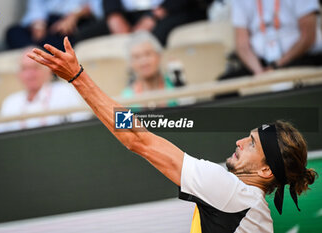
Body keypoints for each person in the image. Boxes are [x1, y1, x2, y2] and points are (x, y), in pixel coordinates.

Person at [27, 37, 317, 232]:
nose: (240, 142)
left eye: (252, 143)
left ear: (266, 170)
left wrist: (78, 77)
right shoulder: (251, 205)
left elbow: (137, 138)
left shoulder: (232, 192)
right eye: (248, 136)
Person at [0, 47, 91, 134]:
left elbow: (81, 129)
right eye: (24, 69)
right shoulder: (11, 102)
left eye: (35, 68)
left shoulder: (65, 92)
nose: (30, 75)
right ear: (18, 74)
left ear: (48, 69)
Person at [219, 0, 322, 80]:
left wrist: (277, 66)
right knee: (224, 87)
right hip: (261, 63)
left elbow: (308, 36)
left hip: (300, 57)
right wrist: (259, 71)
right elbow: (242, 44)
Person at [76, 0, 207, 46]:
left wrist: (154, 16)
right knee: (83, 36)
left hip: (169, 10)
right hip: (127, 13)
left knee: (154, 37)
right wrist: (113, 15)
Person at [6, 0, 98, 51]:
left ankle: (42, 59)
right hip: (45, 22)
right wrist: (38, 24)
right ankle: (40, 58)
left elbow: (96, 7)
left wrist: (74, 16)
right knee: (13, 33)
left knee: (65, 39)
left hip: (74, 21)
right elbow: (35, 6)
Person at [122, 32, 177, 108]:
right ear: (131, 64)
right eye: (137, 57)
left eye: (148, 54)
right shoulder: (126, 99)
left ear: (159, 56)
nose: (144, 62)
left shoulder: (176, 87)